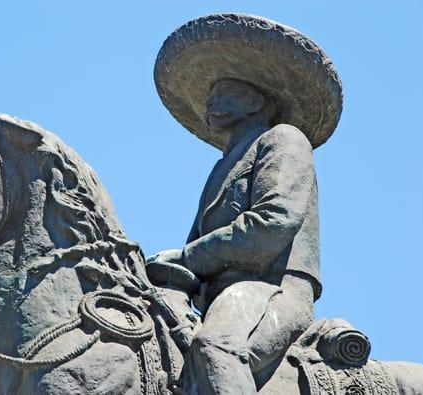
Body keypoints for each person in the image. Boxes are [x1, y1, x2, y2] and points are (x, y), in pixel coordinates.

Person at [149, 13, 343, 394]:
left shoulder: (284, 140)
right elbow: (193, 252)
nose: (210, 99)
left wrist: (188, 257)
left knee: (215, 348)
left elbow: (273, 222)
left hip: (273, 289)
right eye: (212, 92)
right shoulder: (223, 166)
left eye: (224, 91)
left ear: (256, 100)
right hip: (219, 297)